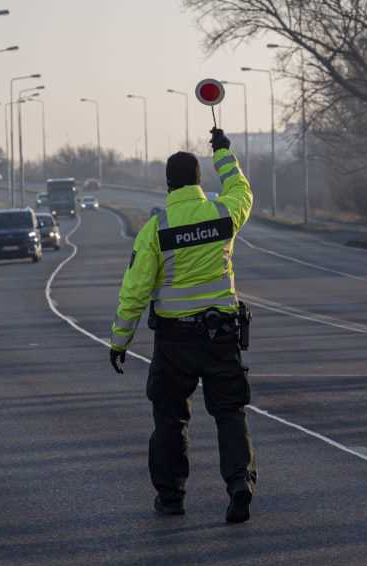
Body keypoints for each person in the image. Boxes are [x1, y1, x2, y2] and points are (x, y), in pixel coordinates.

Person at [108, 128, 257, 524]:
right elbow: (242, 190)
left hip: (174, 343)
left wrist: (119, 342)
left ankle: (171, 497)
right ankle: (239, 482)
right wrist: (223, 152)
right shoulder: (223, 215)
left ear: (168, 184)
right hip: (221, 335)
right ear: (198, 181)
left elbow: (135, 292)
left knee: (170, 418)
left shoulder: (155, 230)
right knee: (229, 412)